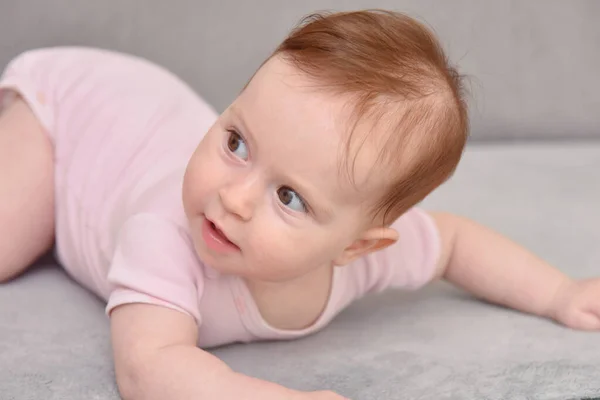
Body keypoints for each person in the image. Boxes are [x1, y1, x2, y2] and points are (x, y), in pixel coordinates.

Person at [0, 9, 598, 400]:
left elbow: (457, 244)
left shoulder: (366, 258)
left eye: (289, 197)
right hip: (67, 114)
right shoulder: (164, 232)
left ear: (357, 246)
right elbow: (148, 366)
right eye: (236, 141)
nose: (230, 199)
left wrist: (558, 294)